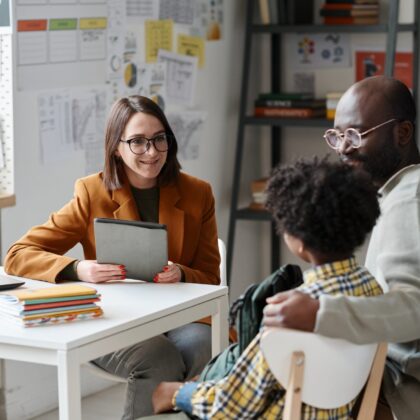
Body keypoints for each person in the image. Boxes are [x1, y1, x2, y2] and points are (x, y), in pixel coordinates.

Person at [4, 95, 220, 419]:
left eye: (159, 139)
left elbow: (210, 276)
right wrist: (77, 269)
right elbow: (18, 254)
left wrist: (183, 274)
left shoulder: (197, 192)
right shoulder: (92, 192)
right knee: (158, 359)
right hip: (115, 318)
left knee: (201, 345)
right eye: (137, 142)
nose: (152, 152)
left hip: (178, 317)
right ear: (116, 147)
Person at [147, 157, 383, 419]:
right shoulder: (372, 290)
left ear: (299, 242)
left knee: (165, 400)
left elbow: (232, 407)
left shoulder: (290, 315)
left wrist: (177, 393)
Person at [263, 76, 420, 420]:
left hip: (397, 389)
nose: (343, 149)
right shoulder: (396, 192)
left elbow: (414, 308)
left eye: (356, 135)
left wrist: (321, 312)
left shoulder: (409, 199)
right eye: (337, 136)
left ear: (403, 134)